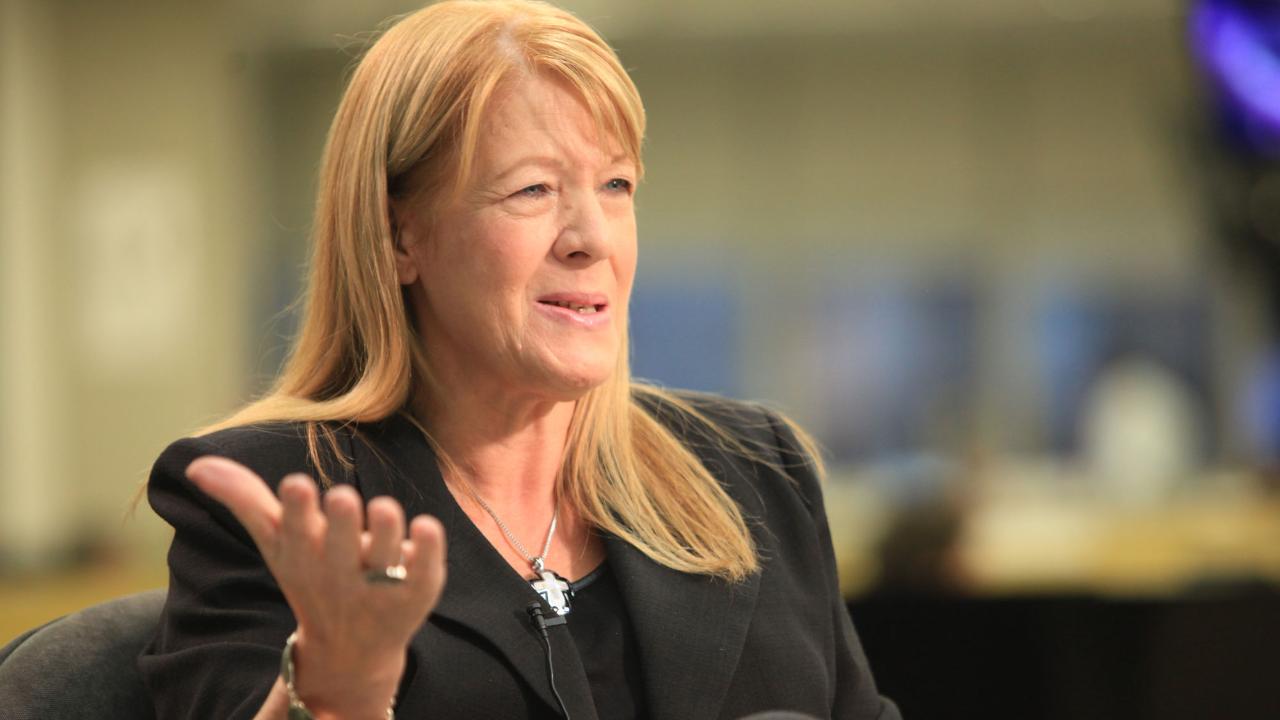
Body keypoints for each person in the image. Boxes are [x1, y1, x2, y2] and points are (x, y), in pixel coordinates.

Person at [138, 1, 900, 718]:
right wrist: (332, 695)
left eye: (615, 185)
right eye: (532, 190)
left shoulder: (754, 471)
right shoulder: (284, 503)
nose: (592, 238)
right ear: (399, 236)